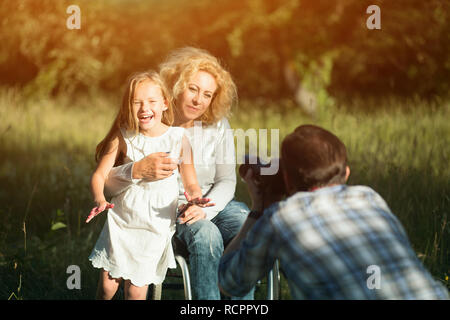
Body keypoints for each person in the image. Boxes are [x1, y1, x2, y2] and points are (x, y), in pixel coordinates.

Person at [218, 124, 449, 299]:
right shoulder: (369, 197)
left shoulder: (280, 217)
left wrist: (258, 209)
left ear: (287, 179)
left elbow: (229, 282)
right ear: (346, 173)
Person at [104, 47, 254, 300]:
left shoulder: (218, 124)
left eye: (207, 94)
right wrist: (136, 170)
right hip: (168, 209)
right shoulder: (150, 118)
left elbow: (227, 180)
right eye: (193, 89)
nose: (199, 100)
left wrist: (205, 209)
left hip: (211, 203)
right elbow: (108, 183)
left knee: (245, 222)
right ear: (175, 86)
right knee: (206, 233)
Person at [87, 71, 211, 300]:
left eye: (152, 101)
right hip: (122, 222)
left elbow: (191, 182)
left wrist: (195, 198)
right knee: (107, 288)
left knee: (134, 292)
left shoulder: (178, 137)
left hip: (155, 225)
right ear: (128, 106)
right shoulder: (122, 136)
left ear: (165, 103)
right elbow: (99, 176)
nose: (145, 108)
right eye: (137, 102)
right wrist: (100, 199)